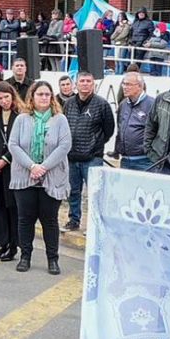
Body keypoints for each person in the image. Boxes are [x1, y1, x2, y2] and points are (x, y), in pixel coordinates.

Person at [8, 81, 71, 275]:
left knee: (49, 220)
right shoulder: (22, 119)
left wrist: (43, 167)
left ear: (51, 98)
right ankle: (25, 256)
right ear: (32, 97)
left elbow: (64, 146)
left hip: (51, 176)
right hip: (25, 175)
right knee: (25, 219)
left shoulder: (60, 119)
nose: (44, 97)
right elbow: (14, 145)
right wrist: (32, 166)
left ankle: (53, 259)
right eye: (40, 94)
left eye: (47, 94)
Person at [62, 71, 115, 231]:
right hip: (71, 157)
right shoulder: (69, 104)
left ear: (93, 84)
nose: (85, 84)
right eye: (82, 81)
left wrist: (96, 145)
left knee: (94, 193)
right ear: (76, 84)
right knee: (73, 191)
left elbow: (109, 129)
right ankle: (74, 220)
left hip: (92, 158)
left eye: (88, 81)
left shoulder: (102, 104)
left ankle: (93, 224)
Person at [0, 81, 24, 261]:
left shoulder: (21, 115)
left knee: (12, 208)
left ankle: (14, 245)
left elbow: (21, 142)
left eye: (6, 97)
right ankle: (2, 242)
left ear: (12, 96)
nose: (3, 101)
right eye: (0, 98)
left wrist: (5, 159)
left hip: (13, 167)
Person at [112, 72, 154, 171]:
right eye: (124, 84)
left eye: (128, 84)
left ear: (139, 86)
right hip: (125, 160)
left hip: (145, 161)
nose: (124, 87)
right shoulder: (123, 104)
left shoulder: (152, 104)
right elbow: (120, 128)